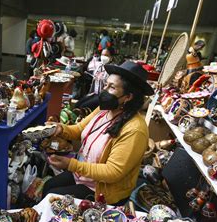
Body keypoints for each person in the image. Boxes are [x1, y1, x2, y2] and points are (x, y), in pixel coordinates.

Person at [42, 61, 153, 205]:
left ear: (128, 97)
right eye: (106, 84)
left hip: (101, 190)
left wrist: (71, 165)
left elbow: (112, 172)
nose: (104, 90)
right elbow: (80, 129)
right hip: (83, 174)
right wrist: (61, 128)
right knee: (48, 186)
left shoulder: (134, 130)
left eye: (111, 87)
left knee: (52, 198)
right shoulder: (104, 110)